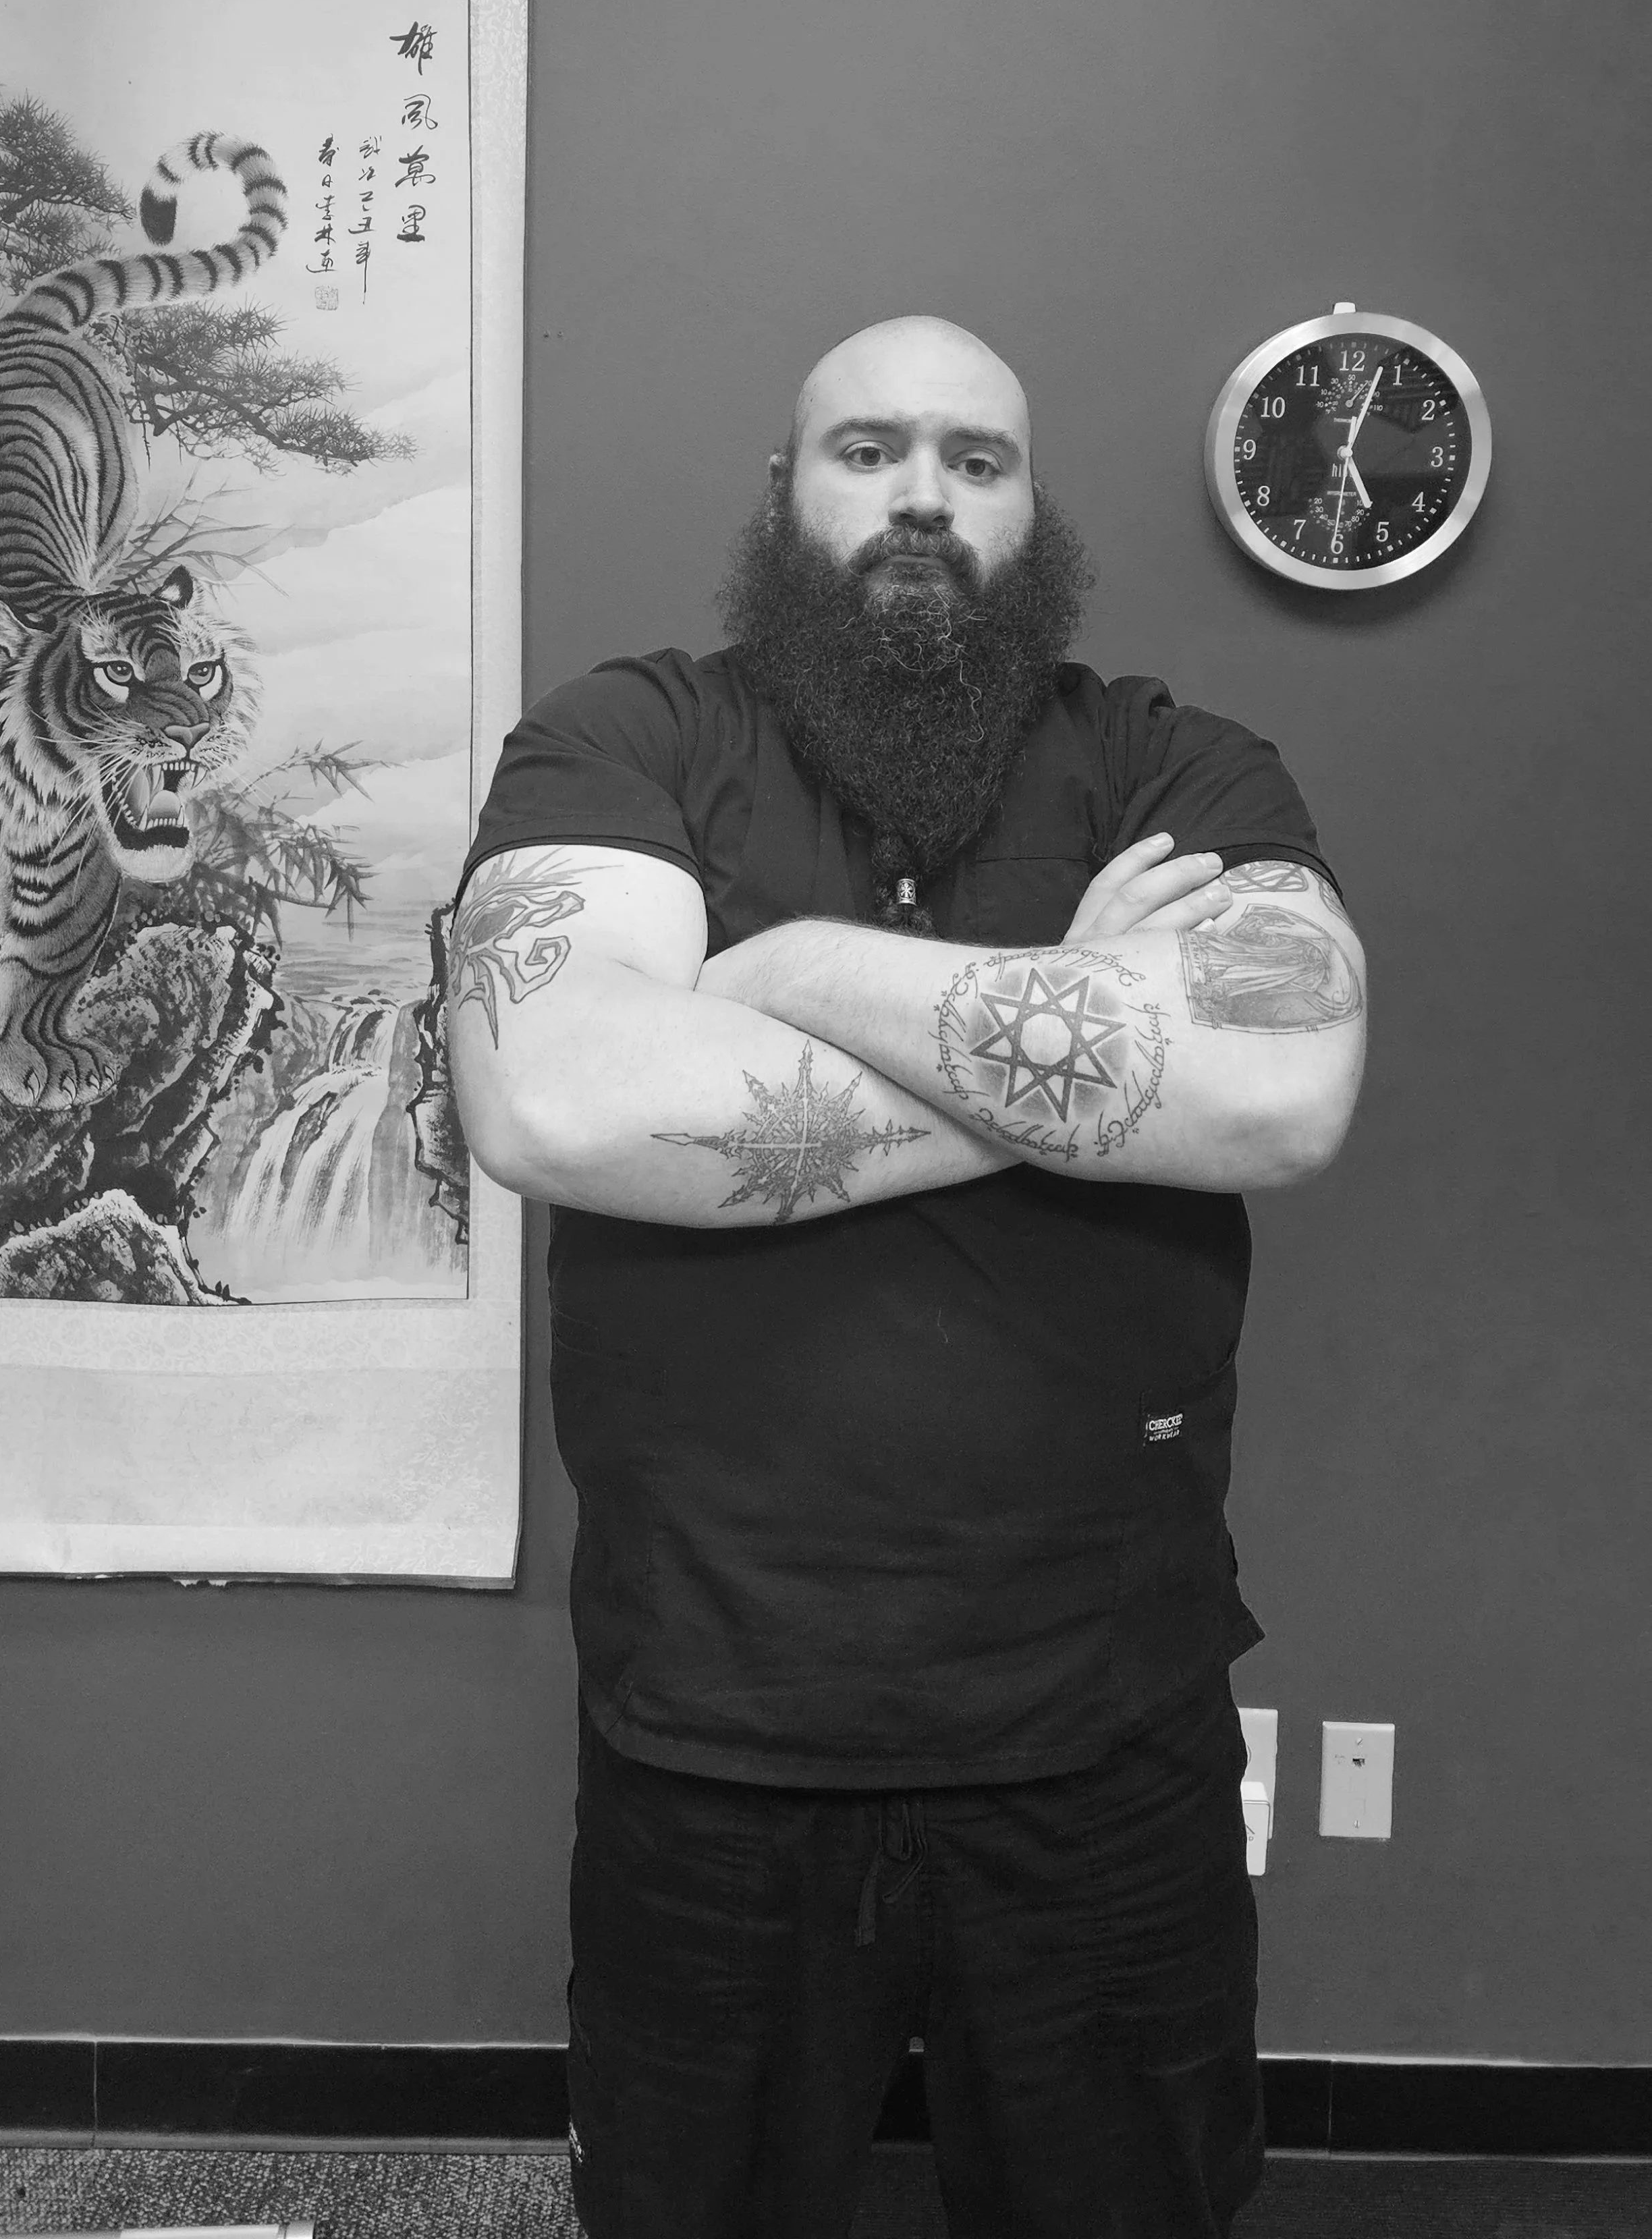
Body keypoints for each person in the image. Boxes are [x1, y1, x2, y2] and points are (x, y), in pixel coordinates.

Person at [449, 314, 1366, 2239]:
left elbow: (1274, 1092)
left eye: (975, 457)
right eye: (867, 450)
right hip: (714, 1726)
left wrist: (772, 975)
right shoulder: (626, 741)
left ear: (1032, 514)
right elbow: (553, 1092)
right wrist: (1093, 1037)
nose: (923, 496)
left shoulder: (1171, 768)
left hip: (1103, 1736)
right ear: (782, 496)